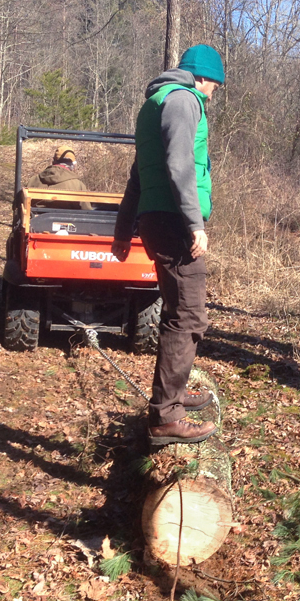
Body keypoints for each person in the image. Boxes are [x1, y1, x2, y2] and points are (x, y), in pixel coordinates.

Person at [112, 44, 225, 447]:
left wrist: (123, 231)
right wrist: (195, 224)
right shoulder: (183, 100)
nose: (213, 93)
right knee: (190, 317)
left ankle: (171, 398)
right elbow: (180, 166)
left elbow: (138, 175)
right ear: (203, 77)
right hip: (174, 220)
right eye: (215, 85)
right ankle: (165, 416)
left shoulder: (157, 102)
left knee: (179, 312)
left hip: (157, 216)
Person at [25, 145, 92, 210]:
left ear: (53, 161)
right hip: (68, 220)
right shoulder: (78, 185)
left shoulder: (33, 180)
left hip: (35, 220)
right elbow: (87, 211)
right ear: (72, 165)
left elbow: (22, 205)